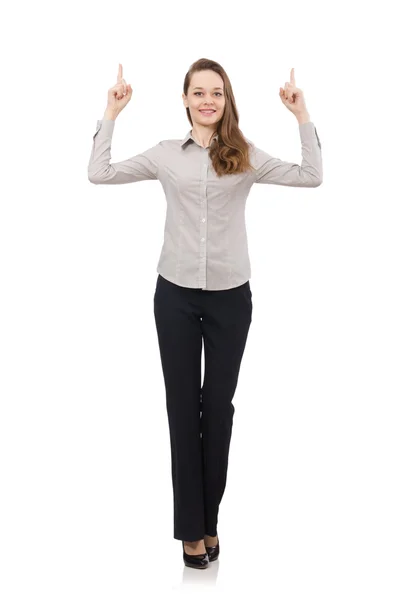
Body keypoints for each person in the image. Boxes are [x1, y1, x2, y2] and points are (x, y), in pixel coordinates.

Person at [88, 58, 323, 569]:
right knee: (181, 412)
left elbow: (312, 176)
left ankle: (209, 522)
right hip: (174, 296)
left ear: (226, 98)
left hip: (228, 299)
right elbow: (98, 173)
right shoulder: (166, 155)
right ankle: (190, 533)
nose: (208, 100)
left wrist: (301, 116)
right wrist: (112, 111)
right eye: (199, 92)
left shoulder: (245, 155)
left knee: (216, 411)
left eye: (216, 92)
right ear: (186, 99)